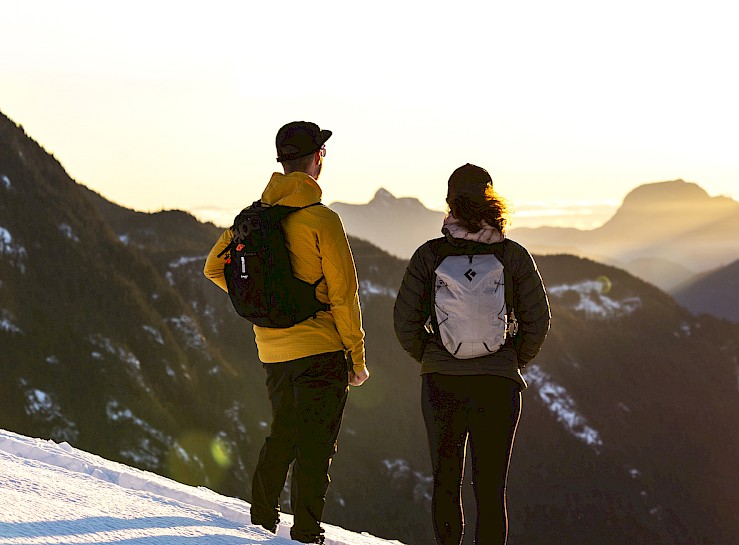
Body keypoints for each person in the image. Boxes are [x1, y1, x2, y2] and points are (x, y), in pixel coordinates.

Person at [204, 121, 370, 544]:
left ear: (282, 163)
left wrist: (261, 304)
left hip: (272, 349)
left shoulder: (252, 219)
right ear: (317, 159)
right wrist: (356, 357)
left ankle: (260, 520)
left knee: (283, 432)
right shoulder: (322, 220)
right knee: (316, 446)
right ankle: (306, 533)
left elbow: (213, 268)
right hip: (321, 348)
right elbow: (344, 295)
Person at [393, 163, 550, 545]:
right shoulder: (513, 256)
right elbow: (538, 320)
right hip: (498, 385)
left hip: (441, 382)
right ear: (491, 200)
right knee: (491, 489)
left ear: (449, 203)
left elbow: (404, 322)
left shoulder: (429, 256)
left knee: (447, 481)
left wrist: (433, 355)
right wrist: (512, 359)